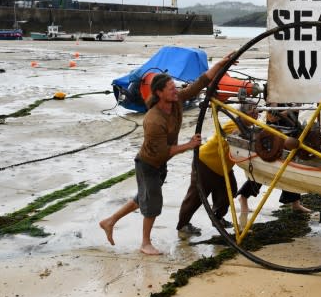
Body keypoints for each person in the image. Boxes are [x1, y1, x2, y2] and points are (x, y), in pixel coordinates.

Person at [99, 52, 234, 254]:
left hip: (159, 165)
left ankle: (110, 221)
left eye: (175, 87)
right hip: (148, 165)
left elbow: (200, 83)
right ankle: (145, 243)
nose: (176, 90)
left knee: (142, 199)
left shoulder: (176, 101)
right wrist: (189, 145)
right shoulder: (153, 120)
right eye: (171, 88)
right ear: (160, 93)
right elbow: (162, 152)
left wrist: (221, 64)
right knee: (153, 205)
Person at [176, 103, 258, 238]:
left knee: (229, 190)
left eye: (257, 112)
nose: (256, 114)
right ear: (242, 114)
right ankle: (183, 225)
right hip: (205, 163)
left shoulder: (247, 127)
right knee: (196, 196)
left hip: (223, 168)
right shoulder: (233, 125)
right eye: (252, 112)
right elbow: (238, 135)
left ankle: (217, 218)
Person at [235, 103, 311, 214]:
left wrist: (296, 107)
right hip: (272, 137)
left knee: (289, 170)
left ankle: (296, 204)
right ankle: (243, 197)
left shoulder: (293, 97)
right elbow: (272, 117)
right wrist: (290, 110)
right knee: (263, 172)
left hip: (289, 134)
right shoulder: (275, 97)